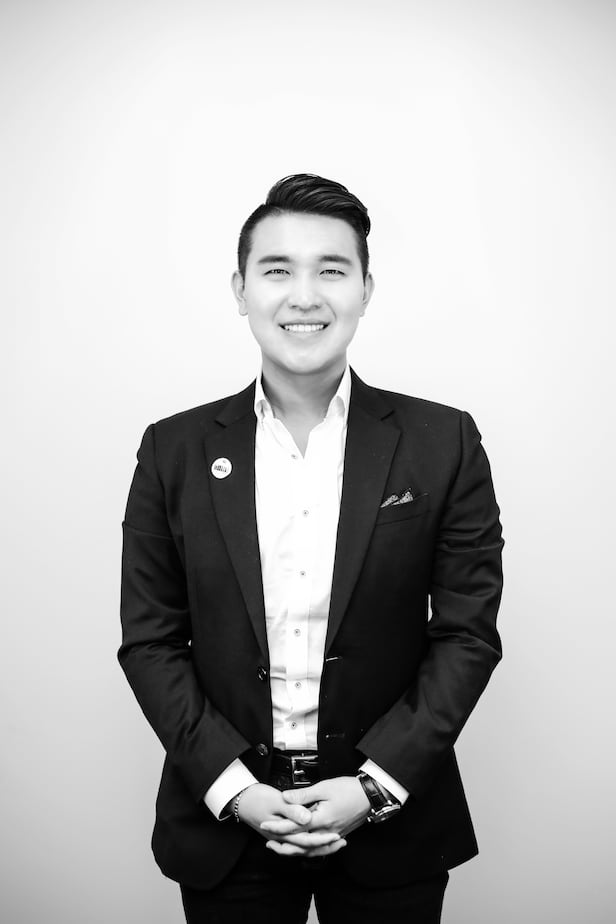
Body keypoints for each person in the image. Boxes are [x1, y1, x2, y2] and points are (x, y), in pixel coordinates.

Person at [119, 174, 504, 924]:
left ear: (365, 289)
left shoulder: (443, 442)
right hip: (228, 821)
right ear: (241, 290)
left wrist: (373, 786)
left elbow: (467, 634)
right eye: (277, 270)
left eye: (331, 269)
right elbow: (151, 639)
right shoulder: (173, 450)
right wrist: (237, 790)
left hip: (390, 821)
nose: (305, 296)